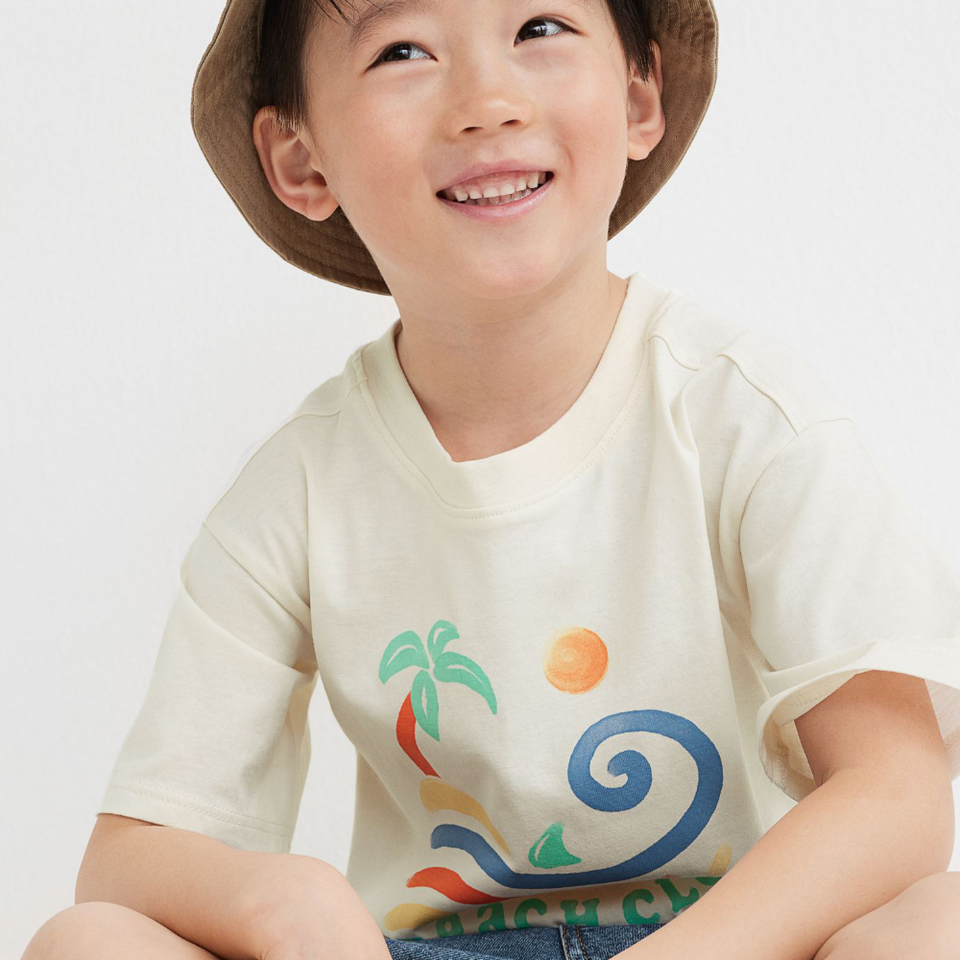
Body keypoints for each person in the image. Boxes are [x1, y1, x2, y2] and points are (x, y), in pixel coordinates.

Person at [20, 1, 960, 960]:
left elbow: (898, 791)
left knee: (946, 921)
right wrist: (283, 902)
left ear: (640, 96)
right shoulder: (301, 488)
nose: (488, 100)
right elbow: (129, 857)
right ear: (303, 161)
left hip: (727, 941)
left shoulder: (743, 416)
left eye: (540, 27)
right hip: (422, 952)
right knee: (89, 943)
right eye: (403, 50)